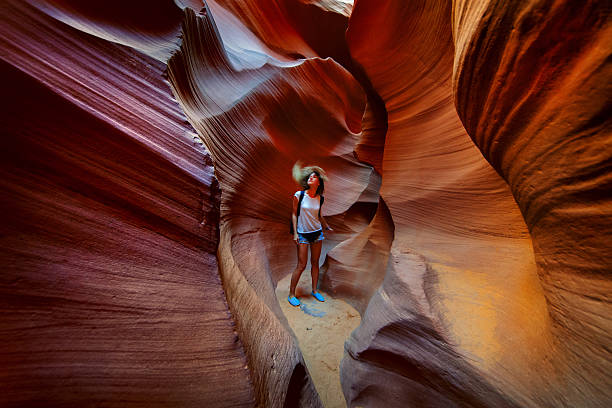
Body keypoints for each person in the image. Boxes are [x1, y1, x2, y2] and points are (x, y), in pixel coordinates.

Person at [288, 163, 332, 307]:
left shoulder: (320, 198)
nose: (311, 178)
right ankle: (291, 294)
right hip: (303, 234)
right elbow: (294, 214)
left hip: (317, 233)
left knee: (315, 263)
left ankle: (314, 290)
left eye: (314, 177)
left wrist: (326, 226)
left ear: (318, 183)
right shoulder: (299, 195)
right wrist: (295, 233)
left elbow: (319, 215)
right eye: (310, 176)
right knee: (301, 265)